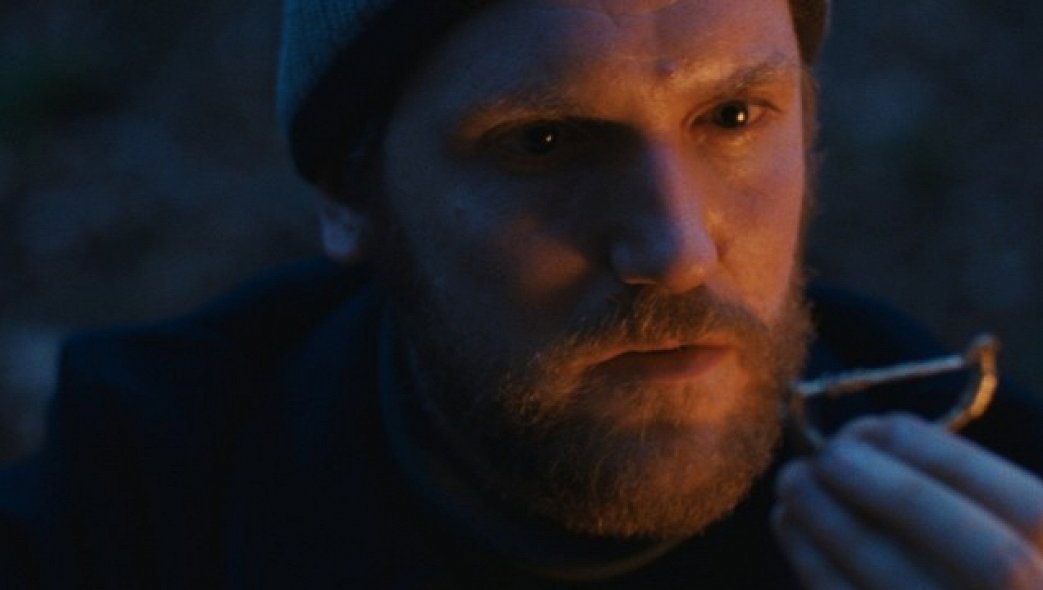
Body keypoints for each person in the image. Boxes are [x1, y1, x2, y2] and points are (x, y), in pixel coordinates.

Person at [2, 0, 1042, 587]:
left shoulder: (992, 509)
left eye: (732, 117)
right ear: (348, 193)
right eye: (542, 141)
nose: (676, 250)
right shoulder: (139, 505)